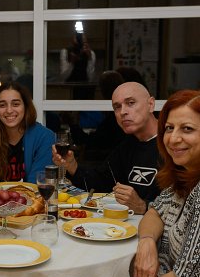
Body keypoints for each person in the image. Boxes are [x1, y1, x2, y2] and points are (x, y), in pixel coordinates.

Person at [121, 89, 200, 277]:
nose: (173, 138)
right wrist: (147, 241)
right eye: (169, 128)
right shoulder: (182, 179)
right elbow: (155, 211)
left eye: (187, 129)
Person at [53, 81, 161, 214]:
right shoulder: (126, 145)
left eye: (130, 103)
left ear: (151, 104)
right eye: (117, 107)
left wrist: (144, 206)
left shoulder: (174, 144)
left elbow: (184, 205)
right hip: (125, 226)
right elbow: (101, 183)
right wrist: (73, 166)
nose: (123, 112)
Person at [0, 82, 55, 184]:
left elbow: (37, 184)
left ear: (25, 107)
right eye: (2, 105)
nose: (9, 110)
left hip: (32, 199)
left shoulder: (44, 137)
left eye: (15, 104)